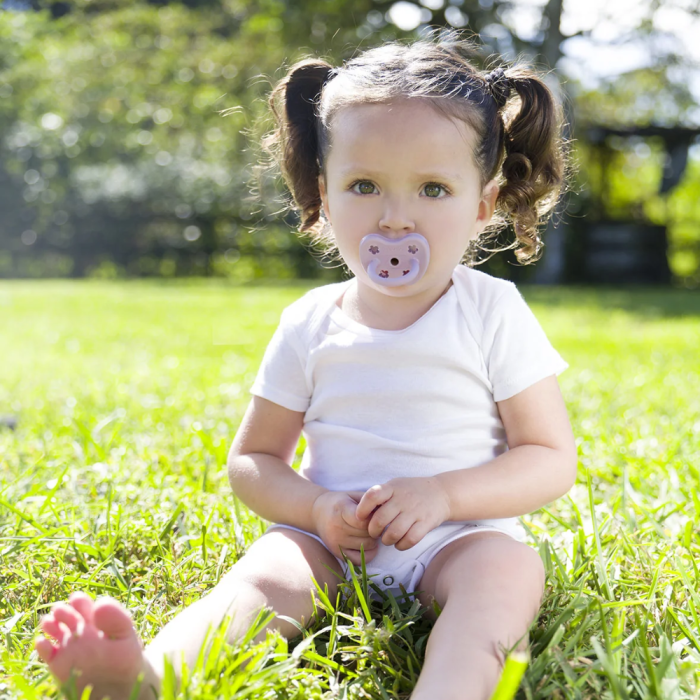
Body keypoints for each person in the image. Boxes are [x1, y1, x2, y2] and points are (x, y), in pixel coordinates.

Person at [34, 31, 578, 700]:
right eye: (364, 185)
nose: (395, 218)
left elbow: (549, 456)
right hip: (328, 546)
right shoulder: (310, 322)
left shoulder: (492, 310)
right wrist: (316, 509)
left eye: (433, 189)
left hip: (458, 542)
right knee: (262, 579)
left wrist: (444, 497)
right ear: (324, 196)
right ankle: (148, 677)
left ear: (482, 204)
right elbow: (253, 462)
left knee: (505, 577)